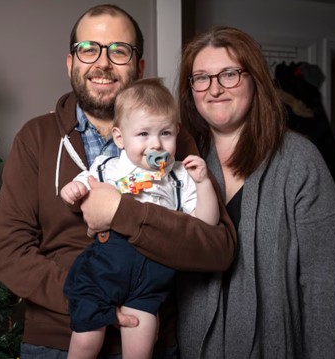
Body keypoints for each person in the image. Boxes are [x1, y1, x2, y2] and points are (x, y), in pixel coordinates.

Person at [0, 4, 237, 358]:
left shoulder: (173, 144)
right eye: (88, 49)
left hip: (149, 332)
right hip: (59, 338)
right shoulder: (36, 138)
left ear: (139, 67)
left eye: (119, 51)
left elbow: (217, 247)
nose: (103, 63)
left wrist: (121, 212)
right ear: (71, 62)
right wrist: (92, 300)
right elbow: (6, 254)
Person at [172, 26, 335, 358]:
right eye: (201, 78)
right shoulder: (178, 163)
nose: (215, 89)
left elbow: (325, 284)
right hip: (191, 348)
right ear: (190, 90)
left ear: (255, 79)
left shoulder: (300, 161)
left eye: (229, 74)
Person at [61, 78, 220, 359]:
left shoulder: (181, 175)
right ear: (120, 138)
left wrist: (204, 183)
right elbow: (82, 185)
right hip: (105, 266)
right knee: (86, 340)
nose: (155, 144)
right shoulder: (108, 165)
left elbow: (206, 224)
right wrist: (73, 188)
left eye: (166, 133)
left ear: (177, 132)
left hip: (151, 276)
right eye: (143, 134)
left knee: (140, 348)